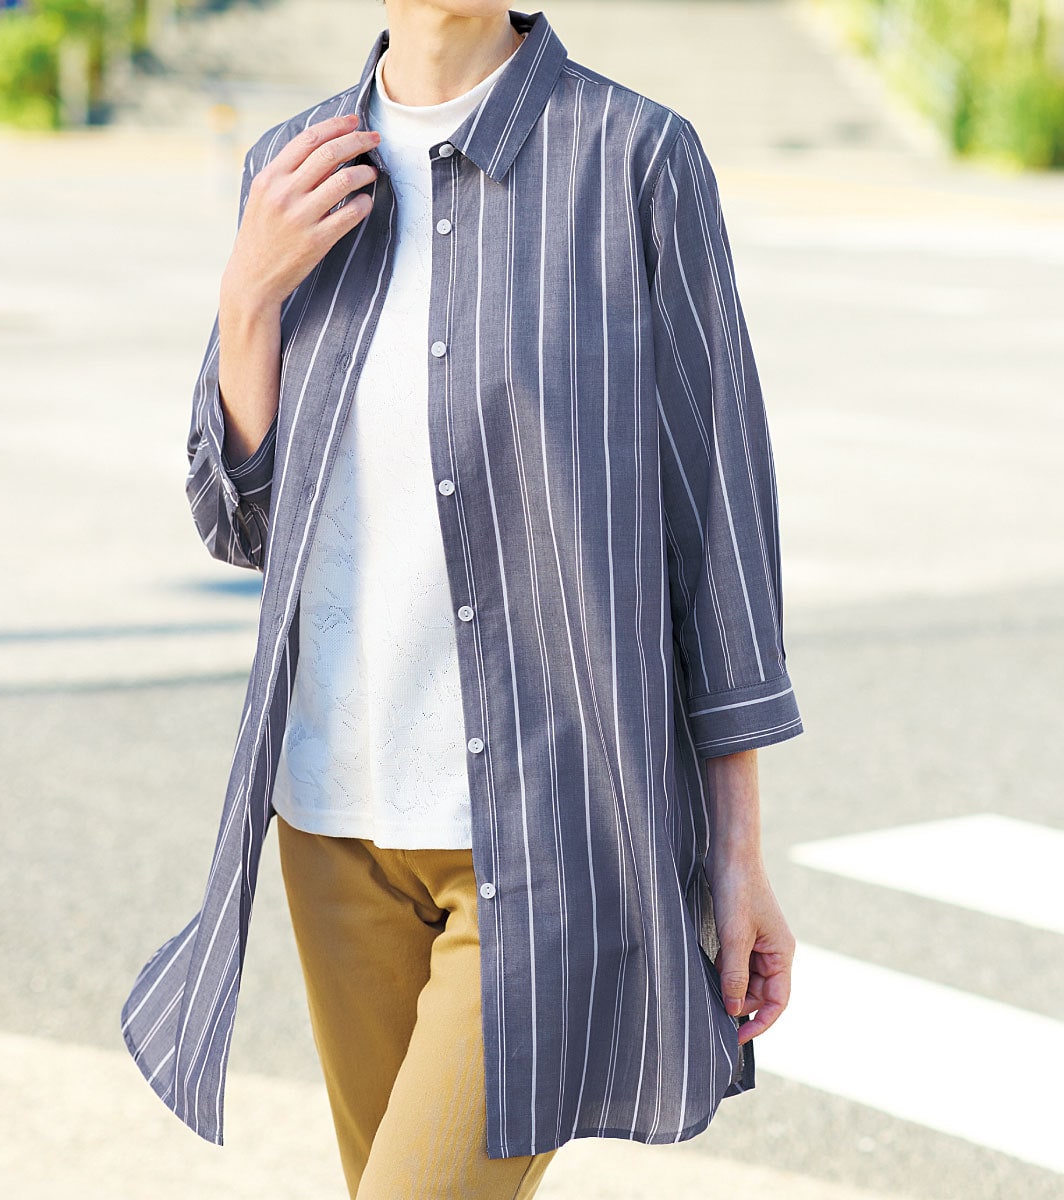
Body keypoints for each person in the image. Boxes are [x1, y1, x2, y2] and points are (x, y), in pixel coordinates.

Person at [120, 4, 805, 1198]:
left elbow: (722, 522)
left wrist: (737, 853)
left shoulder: (634, 158)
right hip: (331, 825)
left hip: (551, 831)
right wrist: (248, 298)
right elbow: (242, 524)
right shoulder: (292, 167)